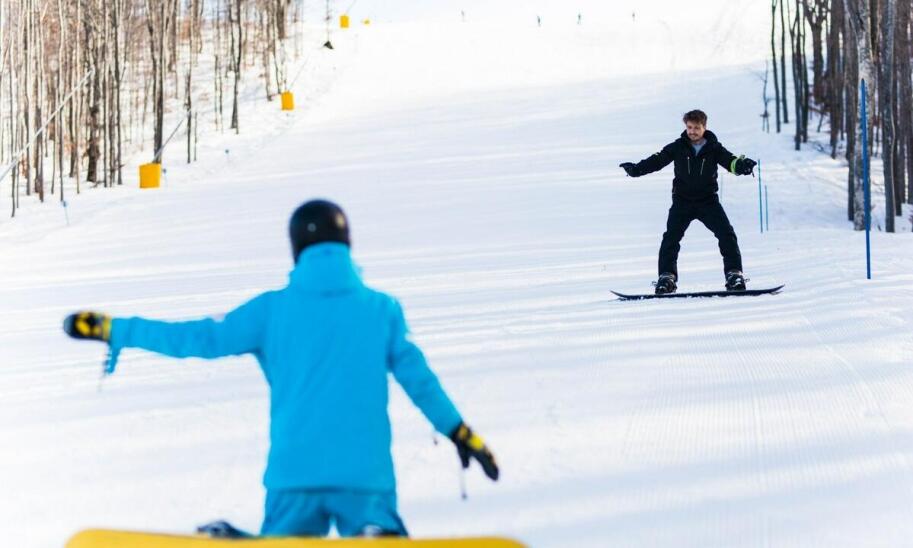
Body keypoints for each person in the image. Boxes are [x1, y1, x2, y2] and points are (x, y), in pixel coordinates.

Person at [63, 199, 499, 538]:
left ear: (297, 249)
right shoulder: (381, 310)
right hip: (364, 476)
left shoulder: (271, 311)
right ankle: (374, 536)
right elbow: (420, 383)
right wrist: (459, 431)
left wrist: (115, 329)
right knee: (379, 531)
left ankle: (252, 541)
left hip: (295, 474)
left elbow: (198, 339)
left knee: (282, 540)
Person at [619, 110, 757, 294]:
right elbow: (658, 160)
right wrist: (636, 169)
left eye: (696, 128)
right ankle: (666, 278)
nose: (692, 131)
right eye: (689, 127)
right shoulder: (678, 146)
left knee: (726, 235)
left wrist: (742, 166)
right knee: (671, 239)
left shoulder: (714, 148)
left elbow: (730, 161)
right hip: (682, 202)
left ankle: (734, 275)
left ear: (704, 127)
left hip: (708, 201)